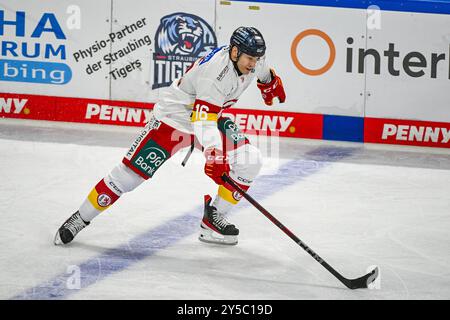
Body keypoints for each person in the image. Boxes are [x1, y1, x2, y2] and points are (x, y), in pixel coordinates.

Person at [54, 26, 286, 246]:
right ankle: (80, 218)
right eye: (250, 59)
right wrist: (215, 156)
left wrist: (269, 83)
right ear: (235, 52)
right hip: (173, 120)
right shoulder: (215, 73)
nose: (253, 64)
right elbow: (201, 121)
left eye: (257, 59)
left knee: (250, 160)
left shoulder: (251, 59)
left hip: (209, 117)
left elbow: (262, 71)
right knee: (128, 177)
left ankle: (213, 220)